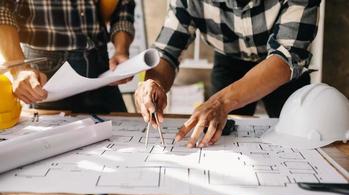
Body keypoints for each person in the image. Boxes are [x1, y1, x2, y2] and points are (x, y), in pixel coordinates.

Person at [135, 0, 320, 148]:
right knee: (223, 141)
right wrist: (153, 82)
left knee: (297, 138)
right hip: (229, 63)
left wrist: (220, 102)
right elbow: (166, 52)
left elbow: (286, 58)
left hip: (281, 71)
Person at [0, 0, 135, 113]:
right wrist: (18, 68)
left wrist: (121, 51)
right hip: (46, 75)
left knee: (126, 137)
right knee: (52, 143)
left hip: (100, 69)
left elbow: (123, 5)